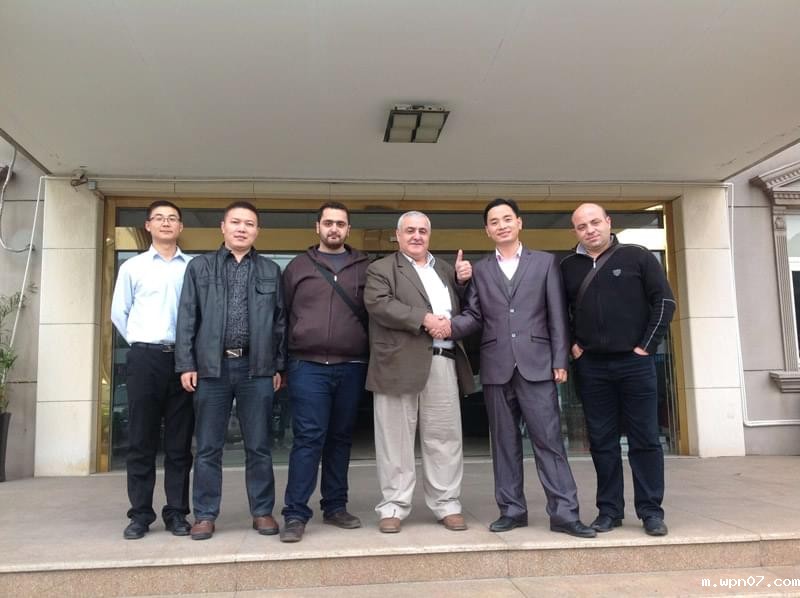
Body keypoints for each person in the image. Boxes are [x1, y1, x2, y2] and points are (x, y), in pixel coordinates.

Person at [449, 198, 596, 538]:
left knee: (549, 442)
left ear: (519, 223)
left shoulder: (545, 262)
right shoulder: (480, 270)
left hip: (538, 364)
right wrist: (449, 319)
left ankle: (565, 514)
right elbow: (473, 315)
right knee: (503, 443)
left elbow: (557, 313)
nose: (501, 225)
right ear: (487, 231)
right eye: (494, 222)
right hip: (496, 366)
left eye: (507, 219)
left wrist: (559, 360)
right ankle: (511, 510)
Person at [561, 202, 675, 537]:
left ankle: (651, 511)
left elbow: (664, 302)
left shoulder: (637, 256)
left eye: (595, 222)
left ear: (608, 222)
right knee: (601, 442)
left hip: (635, 362)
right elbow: (557, 311)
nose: (590, 230)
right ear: (575, 231)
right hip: (592, 367)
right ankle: (609, 511)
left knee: (645, 439)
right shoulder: (567, 266)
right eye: (582, 226)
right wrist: (573, 345)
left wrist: (646, 346)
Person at [175, 201, 287, 540]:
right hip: (212, 368)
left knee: (259, 446)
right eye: (236, 222)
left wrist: (278, 365)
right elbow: (187, 317)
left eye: (249, 224)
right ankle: (205, 515)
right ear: (223, 227)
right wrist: (186, 363)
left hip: (257, 368)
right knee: (208, 447)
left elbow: (280, 322)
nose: (242, 229)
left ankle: (262, 512)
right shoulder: (200, 267)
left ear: (257, 231)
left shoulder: (270, 270)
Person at [364, 211, 474, 533]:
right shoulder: (381, 268)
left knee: (444, 437)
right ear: (398, 235)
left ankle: (447, 503)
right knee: (394, 439)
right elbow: (379, 304)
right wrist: (425, 319)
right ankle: (393, 506)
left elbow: (466, 307)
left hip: (443, 360)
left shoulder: (445, 269)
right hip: (397, 363)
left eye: (422, 231)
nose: (416, 236)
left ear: (429, 235)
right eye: (409, 230)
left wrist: (464, 282)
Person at [278, 202, 370, 543]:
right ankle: (295, 513)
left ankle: (335, 506)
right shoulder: (298, 267)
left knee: (340, 439)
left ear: (348, 229)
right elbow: (282, 317)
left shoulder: (365, 268)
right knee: (308, 438)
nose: (334, 228)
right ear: (317, 226)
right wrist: (280, 364)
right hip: (307, 365)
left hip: (351, 365)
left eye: (340, 223)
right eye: (328, 223)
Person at [111, 200, 194, 540]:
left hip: (184, 361)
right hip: (145, 358)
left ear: (181, 227)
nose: (166, 223)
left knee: (179, 443)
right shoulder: (133, 267)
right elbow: (120, 313)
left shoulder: (194, 267)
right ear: (147, 225)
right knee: (141, 441)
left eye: (172, 218)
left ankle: (177, 513)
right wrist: (141, 342)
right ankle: (140, 514)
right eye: (159, 218)